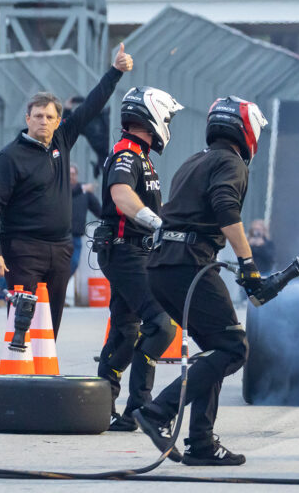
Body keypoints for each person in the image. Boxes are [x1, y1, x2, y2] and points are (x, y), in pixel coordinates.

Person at [133, 96, 270, 466]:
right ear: (247, 130)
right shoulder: (231, 162)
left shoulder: (194, 160)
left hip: (163, 264)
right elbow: (226, 208)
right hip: (188, 263)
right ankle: (158, 412)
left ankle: (201, 443)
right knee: (234, 348)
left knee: (215, 347)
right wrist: (248, 263)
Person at [0, 43, 134, 338]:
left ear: (58, 121)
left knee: (50, 325)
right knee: (22, 323)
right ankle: (19, 365)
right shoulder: (9, 157)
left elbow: (90, 107)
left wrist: (115, 72)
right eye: (38, 116)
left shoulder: (62, 140)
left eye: (49, 117)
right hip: (23, 249)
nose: (43, 121)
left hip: (61, 248)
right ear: (27, 119)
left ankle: (44, 366)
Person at [95, 87, 184, 432]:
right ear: (153, 116)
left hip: (134, 252)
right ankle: (141, 407)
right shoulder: (127, 153)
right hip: (125, 251)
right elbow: (121, 195)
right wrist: (156, 222)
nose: (168, 125)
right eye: (167, 118)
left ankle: (102, 407)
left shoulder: (141, 156)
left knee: (125, 328)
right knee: (161, 325)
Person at [70, 164, 102, 276]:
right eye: (69, 174)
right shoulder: (62, 190)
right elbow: (71, 192)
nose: (71, 176)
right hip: (62, 237)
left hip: (76, 236)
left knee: (74, 263)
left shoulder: (84, 192)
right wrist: (84, 188)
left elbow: (99, 210)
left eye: (73, 174)